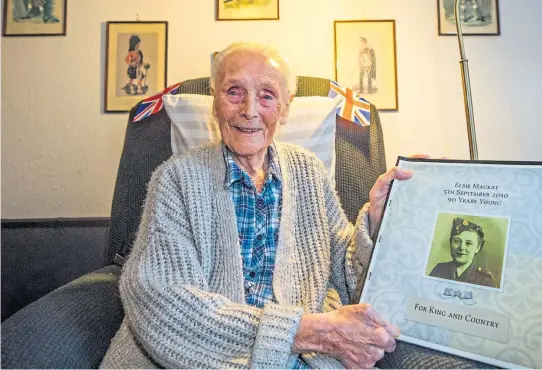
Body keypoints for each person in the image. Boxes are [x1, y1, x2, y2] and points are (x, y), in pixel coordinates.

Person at [100, 42, 418, 369]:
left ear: (285, 108)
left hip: (302, 360)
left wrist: (378, 223)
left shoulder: (309, 170)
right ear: (215, 103)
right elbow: (160, 301)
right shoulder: (176, 179)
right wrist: (306, 331)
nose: (249, 110)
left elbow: (349, 275)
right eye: (234, 92)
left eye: (267, 96)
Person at [429, 217, 495, 287]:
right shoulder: (439, 270)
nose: (461, 248)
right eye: (457, 241)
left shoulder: (485, 280)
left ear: (477, 248)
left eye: (468, 243)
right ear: (450, 242)